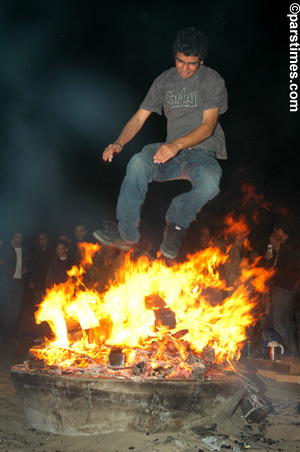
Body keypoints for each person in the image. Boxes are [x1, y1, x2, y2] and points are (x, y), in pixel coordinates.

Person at [93, 27, 228, 260]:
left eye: (191, 64)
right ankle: (126, 233)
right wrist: (119, 142)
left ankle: (176, 224)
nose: (184, 68)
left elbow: (208, 127)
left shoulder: (212, 80)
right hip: (170, 155)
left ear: (201, 61)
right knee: (138, 162)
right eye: (180, 61)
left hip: (202, 155)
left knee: (210, 182)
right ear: (175, 55)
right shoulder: (164, 81)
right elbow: (139, 117)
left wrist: (177, 145)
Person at [267, 223, 300, 355]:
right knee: (285, 323)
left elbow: (282, 271)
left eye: (275, 232)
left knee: (279, 323)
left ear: (280, 231)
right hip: (289, 289)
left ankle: (289, 352)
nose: (274, 236)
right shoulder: (291, 246)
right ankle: (293, 353)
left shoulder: (288, 248)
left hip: (283, 289)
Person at [0, 231, 31, 339]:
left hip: (19, 283)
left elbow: (28, 264)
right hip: (7, 282)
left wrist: (26, 269)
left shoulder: (24, 251)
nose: (19, 239)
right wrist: (10, 249)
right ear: (13, 238)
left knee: (16, 310)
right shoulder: (6, 250)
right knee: (7, 310)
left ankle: (13, 333)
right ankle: (6, 334)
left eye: (21, 237)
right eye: (17, 237)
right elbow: (1, 262)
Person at [29, 232, 53, 304]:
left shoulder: (52, 252)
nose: (42, 241)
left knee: (51, 306)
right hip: (38, 285)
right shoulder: (35, 253)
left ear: (47, 239)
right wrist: (31, 280)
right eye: (40, 239)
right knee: (39, 306)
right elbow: (33, 267)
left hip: (50, 285)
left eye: (44, 239)